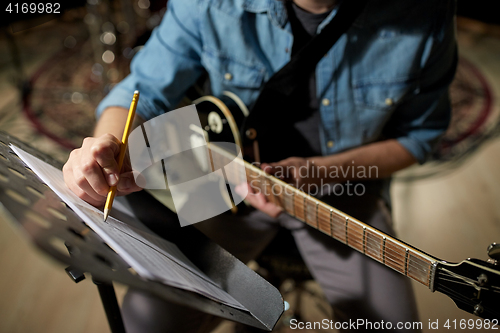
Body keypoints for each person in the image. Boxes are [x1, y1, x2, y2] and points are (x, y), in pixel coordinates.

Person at [63, 0, 457, 331]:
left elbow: (420, 136)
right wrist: (107, 146)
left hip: (342, 191)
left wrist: (321, 172)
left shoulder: (424, 11)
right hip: (226, 182)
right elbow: (140, 92)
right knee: (143, 323)